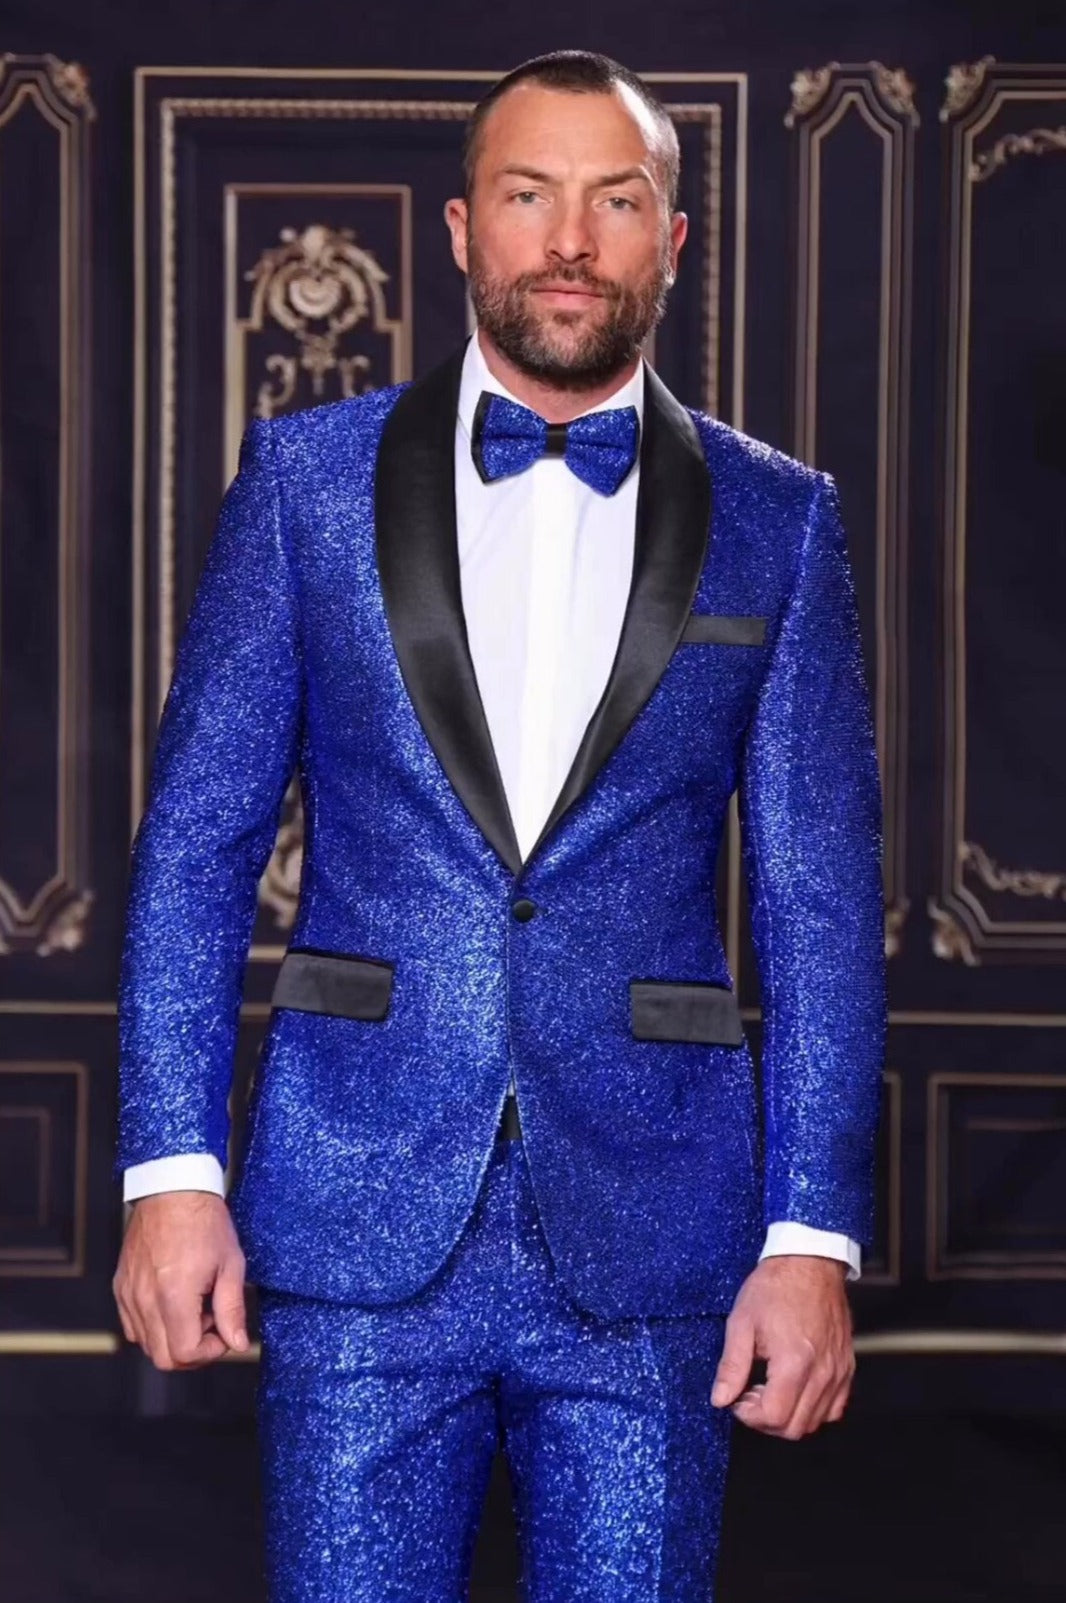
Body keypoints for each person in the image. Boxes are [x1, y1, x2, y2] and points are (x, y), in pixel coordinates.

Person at [113, 50, 885, 1603]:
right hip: (352, 1212)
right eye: (529, 196)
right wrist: (168, 1171)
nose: (569, 240)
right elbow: (195, 847)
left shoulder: (776, 515)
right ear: (461, 229)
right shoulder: (305, 483)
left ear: (673, 237)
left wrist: (812, 1240)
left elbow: (817, 903)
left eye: (616, 198)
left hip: (657, 1239)